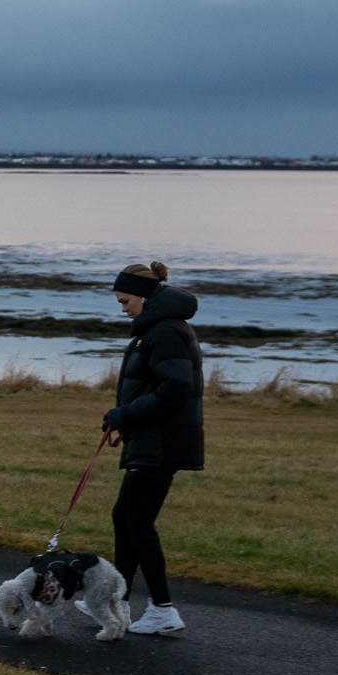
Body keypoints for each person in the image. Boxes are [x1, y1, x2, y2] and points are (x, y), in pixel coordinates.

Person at [101, 261, 204, 636]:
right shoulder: (157, 329)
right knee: (123, 517)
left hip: (162, 444)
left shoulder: (165, 332)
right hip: (152, 441)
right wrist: (123, 417)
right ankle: (118, 603)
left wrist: (126, 413)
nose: (122, 308)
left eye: (125, 300)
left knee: (138, 523)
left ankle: (163, 610)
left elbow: (175, 389)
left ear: (144, 297)